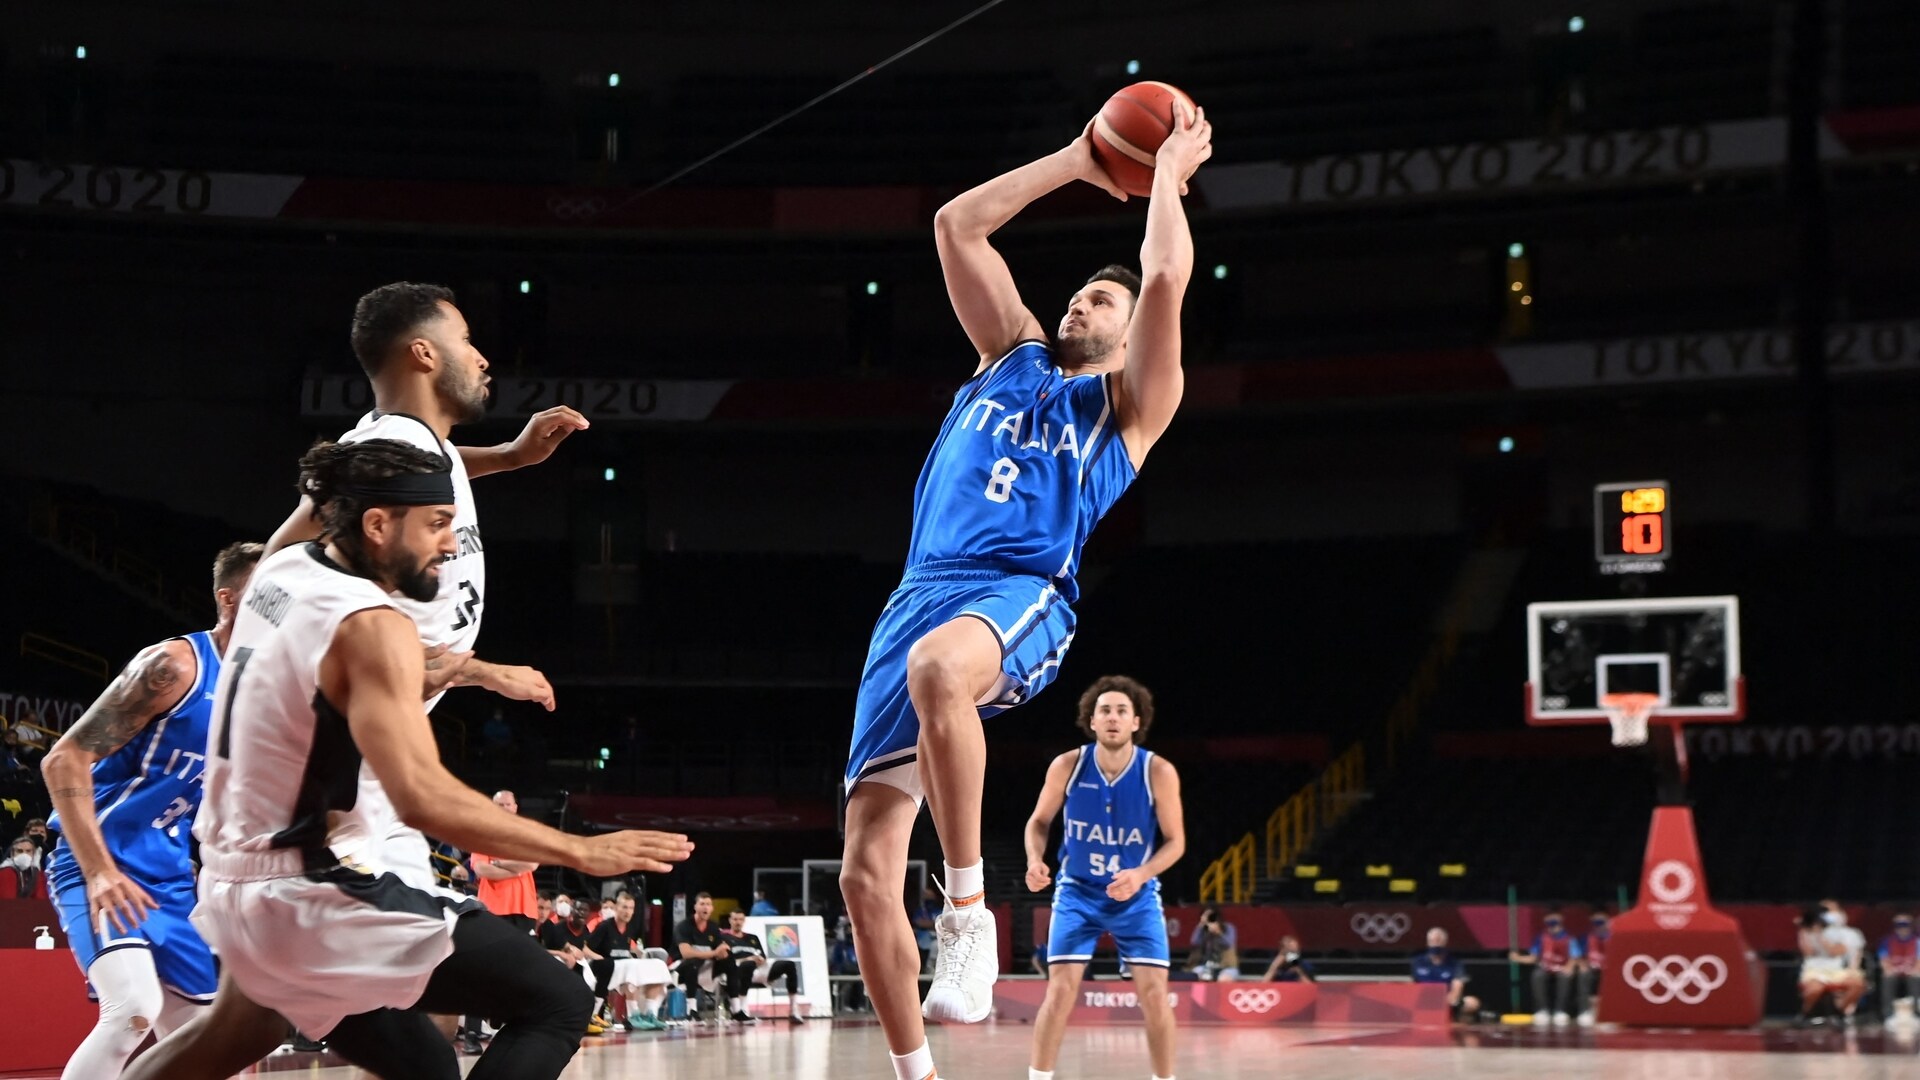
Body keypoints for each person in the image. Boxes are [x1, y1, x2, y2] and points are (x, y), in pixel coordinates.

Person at [118, 439, 694, 1080]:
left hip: (232, 886)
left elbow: (336, 646)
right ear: (377, 524)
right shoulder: (371, 623)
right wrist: (581, 851)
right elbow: (422, 795)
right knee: (559, 1002)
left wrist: (481, 671)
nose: (450, 546)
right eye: (437, 524)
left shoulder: (278, 572)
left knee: (412, 1065)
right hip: (314, 896)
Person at [837, 100, 1211, 1080]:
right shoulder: (1011, 357)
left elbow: (1165, 275)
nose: (1083, 305)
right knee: (864, 876)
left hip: (1020, 593)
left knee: (937, 671)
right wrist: (1079, 160)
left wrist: (1164, 180)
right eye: (1080, 295)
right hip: (918, 592)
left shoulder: (1129, 407)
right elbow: (956, 225)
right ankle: (917, 1073)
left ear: (1128, 336)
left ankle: (968, 912)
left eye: (1102, 303)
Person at [37, 541, 260, 1079]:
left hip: (171, 876)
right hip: (100, 861)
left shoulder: (266, 690)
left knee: (209, 1042)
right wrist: (98, 872)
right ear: (228, 599)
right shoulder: (176, 667)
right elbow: (62, 760)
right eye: (269, 593)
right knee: (131, 1011)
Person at [1022, 675, 1185, 1080]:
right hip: (1077, 893)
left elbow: (1176, 842)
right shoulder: (1067, 765)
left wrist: (1141, 873)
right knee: (1060, 991)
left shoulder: (1158, 772)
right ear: (1091, 721)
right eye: (1105, 711)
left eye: (1121, 711)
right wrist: (1034, 859)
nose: (1113, 717)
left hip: (1136, 896)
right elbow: (1039, 822)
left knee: (1155, 994)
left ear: (1136, 721)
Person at [585, 890, 670, 1033]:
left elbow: (629, 949)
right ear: (616, 908)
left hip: (624, 967)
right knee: (632, 967)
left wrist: (641, 953)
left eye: (631, 908)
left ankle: (650, 1013)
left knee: (657, 966)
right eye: (624, 907)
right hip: (604, 967)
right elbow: (585, 948)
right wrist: (598, 957)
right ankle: (633, 1014)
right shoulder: (605, 927)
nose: (628, 911)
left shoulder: (631, 928)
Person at [721, 907, 809, 1025]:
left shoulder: (752, 938)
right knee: (748, 964)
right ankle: (742, 1009)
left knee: (789, 964)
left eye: (741, 919)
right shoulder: (724, 937)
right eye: (735, 919)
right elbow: (724, 959)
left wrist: (761, 959)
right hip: (737, 970)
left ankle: (793, 1010)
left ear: (744, 920)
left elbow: (762, 956)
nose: (738, 922)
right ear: (730, 920)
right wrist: (747, 959)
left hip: (758, 969)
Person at [471, 790, 540, 930]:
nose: (504, 808)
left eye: (508, 804)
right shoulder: (482, 836)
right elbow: (481, 870)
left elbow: (531, 864)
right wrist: (517, 871)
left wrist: (497, 863)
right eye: (500, 805)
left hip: (523, 909)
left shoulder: (528, 834)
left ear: (515, 807)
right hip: (492, 907)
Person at [1510, 910, 1583, 1025]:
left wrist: (1570, 967)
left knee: (1565, 977)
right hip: (1546, 967)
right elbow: (1533, 958)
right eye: (1549, 924)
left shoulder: (1569, 938)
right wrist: (1517, 958)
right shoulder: (1541, 938)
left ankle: (1561, 1010)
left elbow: (1575, 957)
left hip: (1562, 967)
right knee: (1537, 975)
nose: (1552, 927)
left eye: (1555, 923)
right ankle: (1542, 1010)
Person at [675, 891, 740, 1021]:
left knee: (730, 960)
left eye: (708, 904)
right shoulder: (684, 926)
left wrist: (724, 951)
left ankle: (736, 1010)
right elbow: (686, 953)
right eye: (702, 904)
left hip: (706, 966)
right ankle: (691, 1010)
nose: (705, 907)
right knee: (693, 962)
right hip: (681, 967)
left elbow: (720, 950)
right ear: (695, 907)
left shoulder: (713, 927)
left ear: (712, 908)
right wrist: (714, 953)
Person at [1411, 928, 1479, 1021]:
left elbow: (1457, 985)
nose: (1436, 944)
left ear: (1445, 943)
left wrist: (1450, 999)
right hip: (1425, 999)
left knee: (1472, 1003)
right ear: (1428, 943)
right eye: (1433, 941)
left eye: (1439, 941)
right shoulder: (1418, 962)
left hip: (1446, 1000)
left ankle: (1457, 1021)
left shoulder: (1454, 963)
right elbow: (1414, 984)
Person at [1880, 914, 1919, 1024]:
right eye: (1899, 926)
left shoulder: (1917, 941)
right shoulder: (1887, 941)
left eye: (1905, 925)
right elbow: (1884, 960)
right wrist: (1889, 969)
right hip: (1894, 970)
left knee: (1915, 979)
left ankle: (1916, 1013)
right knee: (1888, 979)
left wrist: (1914, 970)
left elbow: (1919, 962)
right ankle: (1888, 1014)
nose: (1902, 929)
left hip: (1912, 971)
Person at [1187, 907, 1241, 981]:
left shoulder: (1228, 927)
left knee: (1223, 979)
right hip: (1206, 966)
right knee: (1196, 974)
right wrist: (1200, 925)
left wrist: (1218, 932)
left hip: (1227, 967)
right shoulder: (1203, 929)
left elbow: (1229, 943)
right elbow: (1194, 942)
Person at [1576, 912, 1610, 1027]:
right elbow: (1579, 956)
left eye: (1601, 922)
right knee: (1584, 975)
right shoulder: (1586, 938)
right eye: (1595, 923)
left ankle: (1610, 1010)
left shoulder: (1614, 937)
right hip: (1592, 968)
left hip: (1609, 969)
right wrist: (1583, 965)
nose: (1598, 926)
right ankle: (1585, 1011)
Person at [1, 835, 49, 899]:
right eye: (19, 851)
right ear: (12, 854)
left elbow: (41, 899)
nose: (24, 854)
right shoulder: (5, 872)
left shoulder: (38, 874)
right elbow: (7, 899)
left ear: (33, 855)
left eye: (28, 851)